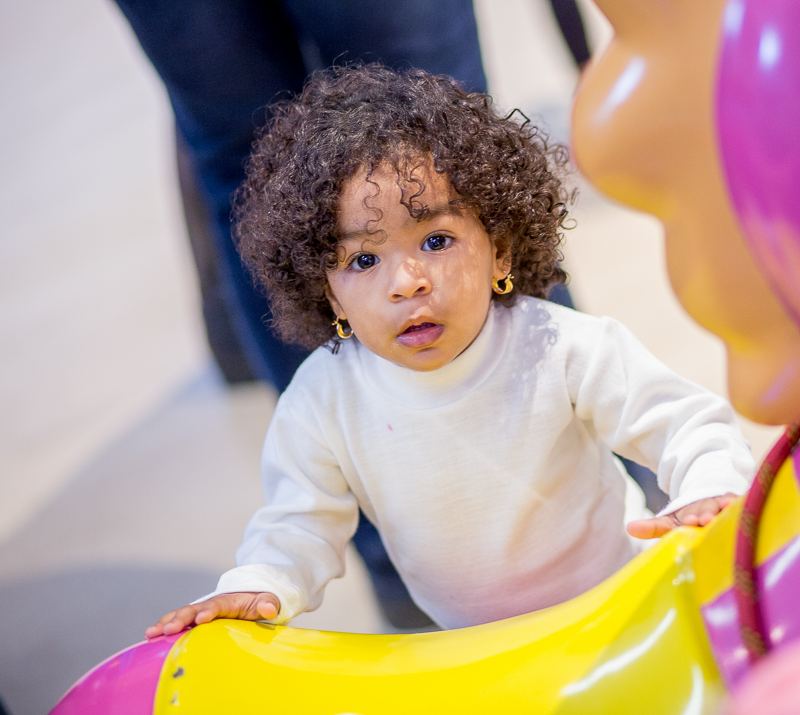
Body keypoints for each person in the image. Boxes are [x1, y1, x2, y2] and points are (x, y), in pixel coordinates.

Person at [145, 65, 754, 636]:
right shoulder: (321, 402)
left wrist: (706, 488)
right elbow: (297, 525)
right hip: (474, 650)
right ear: (328, 294)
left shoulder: (558, 346)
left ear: (500, 251)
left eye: (436, 240)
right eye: (364, 259)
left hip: (624, 610)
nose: (406, 281)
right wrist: (259, 584)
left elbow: (684, 424)